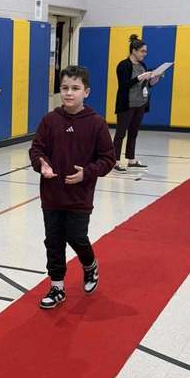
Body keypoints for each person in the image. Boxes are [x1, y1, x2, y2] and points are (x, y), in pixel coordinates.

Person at [29, 65, 115, 310]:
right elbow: (37, 149)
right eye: (65, 88)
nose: (69, 93)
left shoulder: (96, 124)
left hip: (79, 196)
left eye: (75, 88)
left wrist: (86, 173)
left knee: (76, 237)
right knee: (53, 241)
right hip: (52, 195)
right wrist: (41, 164)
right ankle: (57, 287)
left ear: (86, 92)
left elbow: (107, 159)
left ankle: (89, 264)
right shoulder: (50, 120)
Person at [113, 35, 160, 173]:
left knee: (133, 132)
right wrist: (140, 77)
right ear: (134, 50)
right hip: (127, 104)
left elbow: (146, 85)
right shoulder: (123, 65)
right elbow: (124, 85)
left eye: (145, 51)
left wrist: (153, 79)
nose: (145, 54)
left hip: (140, 103)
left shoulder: (142, 65)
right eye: (142, 51)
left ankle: (131, 159)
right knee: (121, 133)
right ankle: (114, 161)